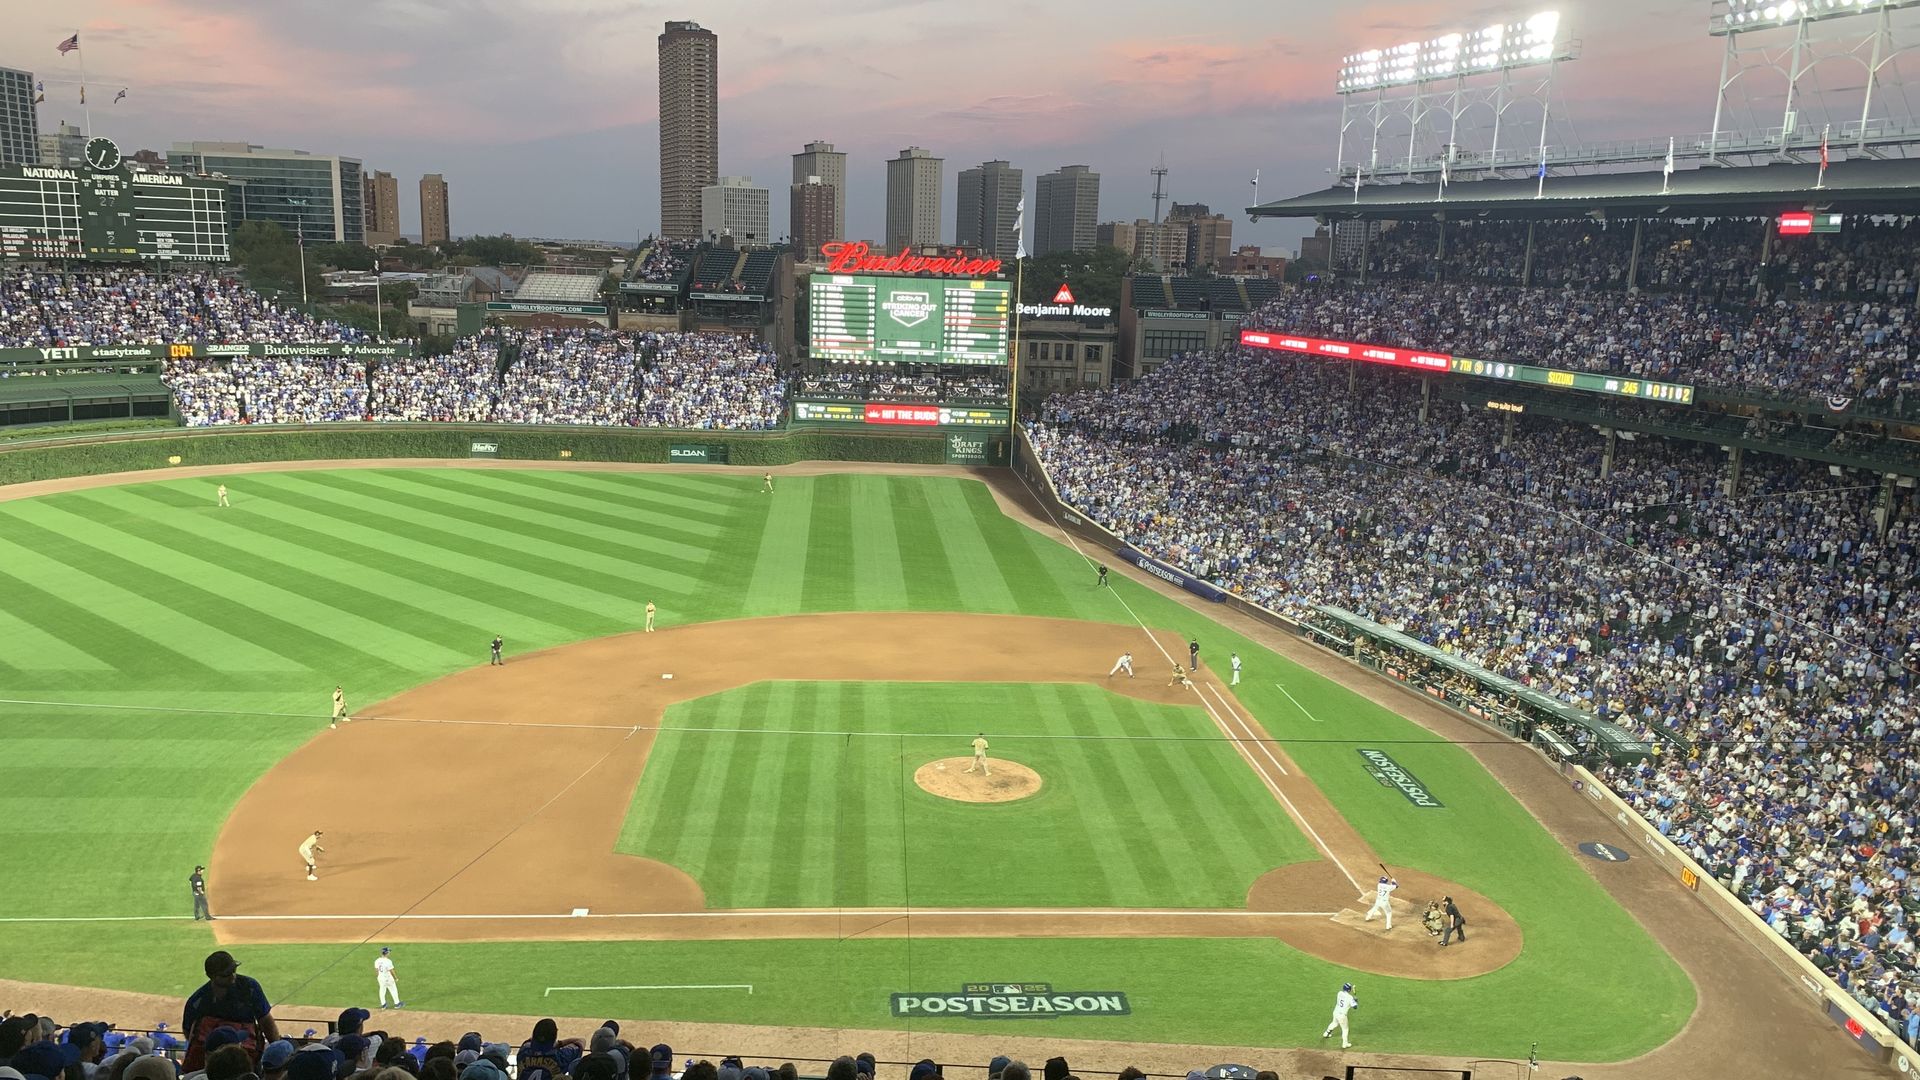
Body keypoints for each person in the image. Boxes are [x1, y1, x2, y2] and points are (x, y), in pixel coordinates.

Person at [182, 950, 279, 1071]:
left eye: (234, 971)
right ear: (211, 976)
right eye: (226, 974)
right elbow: (189, 1033)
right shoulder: (198, 1001)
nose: (232, 976)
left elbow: (266, 1021)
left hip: (248, 1056)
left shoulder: (249, 987)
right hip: (214, 1059)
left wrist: (276, 1050)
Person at [1320, 982, 1357, 1049]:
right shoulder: (1350, 997)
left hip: (1336, 1012)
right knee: (1345, 1029)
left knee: (1334, 1023)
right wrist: (1355, 1001)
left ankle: (1326, 1033)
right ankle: (1345, 1044)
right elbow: (1355, 1007)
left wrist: (1353, 1000)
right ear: (1349, 990)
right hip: (1342, 1015)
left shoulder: (1339, 993)